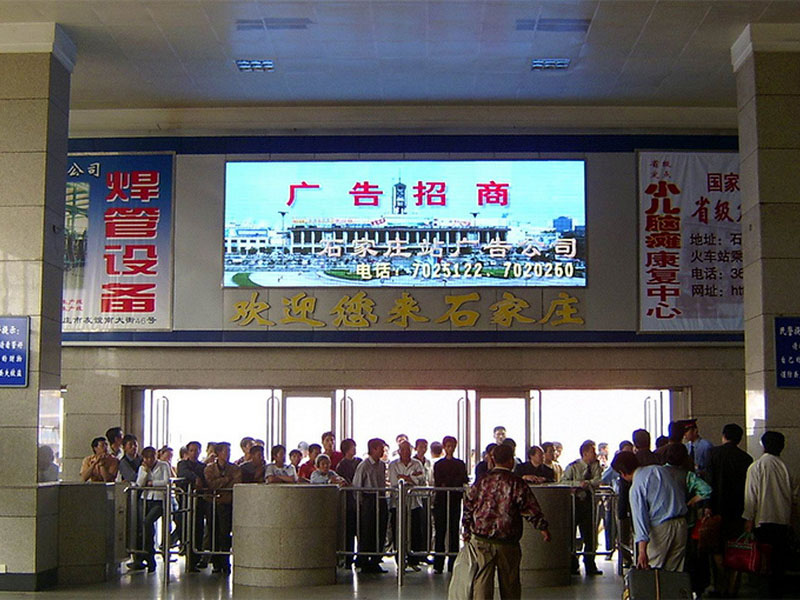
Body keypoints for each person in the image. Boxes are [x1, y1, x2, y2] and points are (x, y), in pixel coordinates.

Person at [463, 443, 551, 599]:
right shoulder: (516, 482)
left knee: (482, 582)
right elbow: (529, 507)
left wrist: (467, 528)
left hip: (482, 539)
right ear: (511, 460)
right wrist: (542, 527)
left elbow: (469, 504)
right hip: (507, 541)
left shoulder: (482, 481)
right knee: (510, 584)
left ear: (493, 459)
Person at [611, 451, 688, 571]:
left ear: (622, 473)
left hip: (661, 530)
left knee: (652, 573)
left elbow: (640, 520)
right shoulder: (660, 470)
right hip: (681, 524)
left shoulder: (636, 487)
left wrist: (642, 551)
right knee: (675, 574)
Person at [742, 431, 794, 599]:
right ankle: (777, 592)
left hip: (763, 520)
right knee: (779, 560)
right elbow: (794, 497)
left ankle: (764, 592)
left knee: (763, 561)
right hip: (782, 519)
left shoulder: (756, 467)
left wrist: (749, 518)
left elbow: (751, 496)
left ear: (763, 445)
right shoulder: (787, 468)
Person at [707, 423, 752, 597]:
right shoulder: (746, 459)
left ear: (724, 435)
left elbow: (709, 483)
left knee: (716, 548)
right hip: (738, 510)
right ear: (740, 439)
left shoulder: (713, 454)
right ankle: (733, 588)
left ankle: (720, 585)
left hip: (717, 509)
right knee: (736, 549)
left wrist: (708, 506)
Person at [663, 442, 712, 597]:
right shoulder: (688, 475)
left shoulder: (659, 472)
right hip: (684, 522)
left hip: (661, 522)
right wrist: (691, 501)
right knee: (683, 559)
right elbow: (707, 490)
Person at [562, 439, 603, 576]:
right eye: (592, 451)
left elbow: (598, 480)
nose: (595, 454)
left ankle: (590, 562)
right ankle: (572, 563)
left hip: (589, 503)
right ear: (585, 453)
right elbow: (564, 482)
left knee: (590, 534)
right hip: (575, 503)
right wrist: (577, 484)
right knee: (572, 534)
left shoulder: (596, 466)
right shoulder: (573, 467)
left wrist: (587, 483)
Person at [352, 438, 389, 573]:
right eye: (381, 448)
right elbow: (357, 485)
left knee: (380, 529)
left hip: (381, 498)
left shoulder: (382, 465)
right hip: (368, 499)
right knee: (367, 530)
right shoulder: (364, 465)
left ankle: (375, 559)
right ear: (373, 449)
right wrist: (361, 503)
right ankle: (363, 559)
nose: (383, 451)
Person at [204, 442, 241, 575]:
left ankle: (225, 562)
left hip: (228, 503)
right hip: (213, 503)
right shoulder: (209, 468)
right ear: (218, 453)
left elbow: (236, 483)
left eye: (229, 451)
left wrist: (221, 484)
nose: (228, 454)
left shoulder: (235, 469)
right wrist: (225, 480)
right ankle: (216, 562)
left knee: (225, 533)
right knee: (213, 531)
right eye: (226, 451)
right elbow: (211, 484)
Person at [433, 435, 468, 573]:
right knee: (440, 531)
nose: (450, 448)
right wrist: (451, 483)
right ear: (444, 447)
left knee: (454, 531)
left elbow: (462, 478)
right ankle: (438, 564)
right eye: (448, 446)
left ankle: (453, 563)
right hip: (441, 501)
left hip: (454, 501)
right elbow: (439, 481)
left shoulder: (460, 464)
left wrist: (450, 483)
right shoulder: (438, 464)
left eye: (452, 446)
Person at [387, 440, 426, 567]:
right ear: (398, 451)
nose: (406, 452)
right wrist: (411, 478)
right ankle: (400, 560)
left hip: (414, 503)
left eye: (408, 450)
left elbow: (422, 480)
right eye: (403, 450)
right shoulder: (393, 465)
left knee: (415, 531)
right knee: (398, 531)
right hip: (397, 504)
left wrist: (407, 478)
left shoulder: (417, 463)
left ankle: (414, 560)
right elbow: (394, 482)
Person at [136, 446, 172, 573]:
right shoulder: (142, 467)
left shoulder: (163, 465)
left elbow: (167, 481)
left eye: (152, 457)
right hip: (145, 499)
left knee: (148, 521)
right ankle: (148, 556)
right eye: (147, 458)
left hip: (159, 500)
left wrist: (152, 483)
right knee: (144, 526)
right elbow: (139, 484)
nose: (150, 460)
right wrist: (145, 472)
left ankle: (149, 554)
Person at [176, 440, 208, 572]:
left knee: (198, 529)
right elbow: (183, 473)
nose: (194, 453)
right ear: (187, 452)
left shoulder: (202, 466)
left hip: (199, 501)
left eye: (197, 450)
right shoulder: (182, 464)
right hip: (186, 501)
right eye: (192, 450)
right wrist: (195, 479)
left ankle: (195, 559)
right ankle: (186, 551)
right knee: (186, 527)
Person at [337, 438, 361, 568]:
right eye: (353, 447)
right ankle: (348, 557)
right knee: (349, 530)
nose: (355, 449)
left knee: (360, 530)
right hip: (348, 502)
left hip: (358, 500)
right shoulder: (342, 465)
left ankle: (360, 556)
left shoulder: (359, 462)